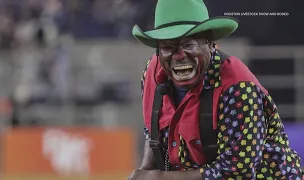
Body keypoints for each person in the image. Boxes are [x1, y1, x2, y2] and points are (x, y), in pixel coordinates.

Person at [128, 0, 304, 179]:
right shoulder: (152, 73)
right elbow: (153, 131)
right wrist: (145, 171)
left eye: (189, 45)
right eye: (168, 47)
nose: (179, 56)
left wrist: (159, 177)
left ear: (211, 44)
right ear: (158, 51)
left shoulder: (238, 87)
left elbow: (238, 172)